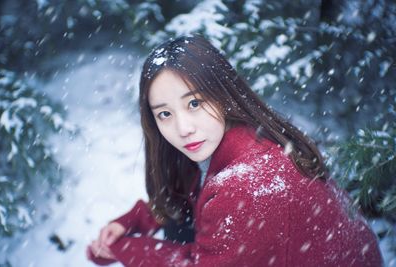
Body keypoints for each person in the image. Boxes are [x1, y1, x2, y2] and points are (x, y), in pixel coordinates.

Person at [86, 35, 383, 266]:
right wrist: (139, 220)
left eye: (194, 103)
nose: (183, 127)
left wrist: (124, 248)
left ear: (221, 94)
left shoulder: (245, 186)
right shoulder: (247, 134)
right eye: (165, 114)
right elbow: (187, 194)